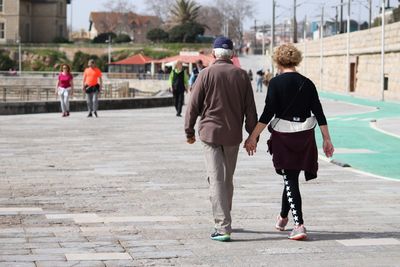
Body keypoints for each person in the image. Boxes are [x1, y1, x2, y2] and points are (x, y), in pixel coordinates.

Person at [244, 43, 334, 241]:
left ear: (277, 61)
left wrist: (253, 137)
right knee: (290, 177)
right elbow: (319, 113)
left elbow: (268, 114)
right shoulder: (308, 83)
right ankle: (283, 217)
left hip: (284, 138)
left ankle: (299, 224)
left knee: (290, 178)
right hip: (305, 138)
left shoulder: (275, 83)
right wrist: (327, 139)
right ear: (297, 59)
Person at [185, 36, 257, 242]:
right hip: (233, 136)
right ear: (232, 55)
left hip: (209, 134)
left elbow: (193, 106)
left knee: (216, 179)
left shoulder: (205, 74)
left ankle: (223, 226)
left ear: (213, 53)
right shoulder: (242, 76)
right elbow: (250, 110)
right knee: (226, 179)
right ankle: (225, 218)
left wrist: (189, 131)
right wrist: (253, 136)